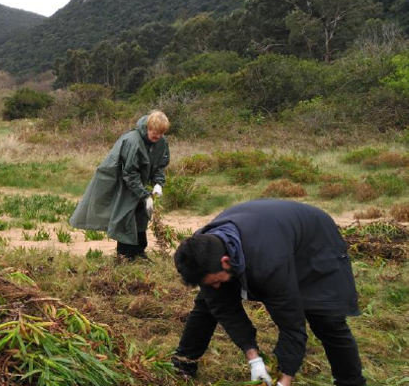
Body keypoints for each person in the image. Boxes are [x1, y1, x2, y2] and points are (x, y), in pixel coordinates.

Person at [171, 199, 365, 386]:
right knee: (209, 301)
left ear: (225, 261)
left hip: (314, 241)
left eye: (213, 280)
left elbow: (292, 325)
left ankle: (351, 382)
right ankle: (184, 362)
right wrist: (253, 357)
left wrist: (284, 377)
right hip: (267, 230)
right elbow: (225, 309)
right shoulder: (200, 250)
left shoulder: (268, 264)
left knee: (326, 318)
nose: (214, 286)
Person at [68, 110, 170, 260]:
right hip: (121, 181)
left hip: (138, 182)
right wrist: (144, 195)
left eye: (161, 133)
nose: (157, 136)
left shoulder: (161, 142)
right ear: (147, 127)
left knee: (141, 216)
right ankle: (124, 256)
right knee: (125, 216)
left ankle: (139, 253)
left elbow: (159, 165)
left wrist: (158, 183)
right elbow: (129, 174)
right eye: (154, 132)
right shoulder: (133, 141)